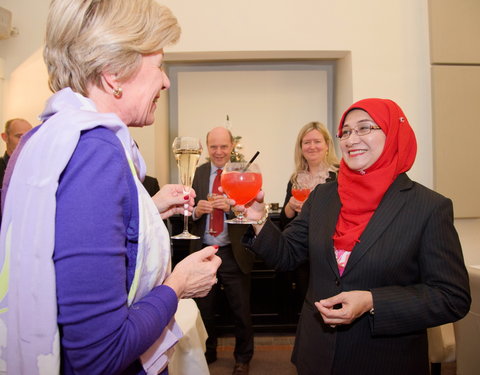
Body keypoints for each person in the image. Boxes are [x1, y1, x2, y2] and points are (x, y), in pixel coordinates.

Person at [0, 1, 221, 375]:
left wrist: (147, 208)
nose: (166, 81)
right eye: (159, 66)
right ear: (114, 75)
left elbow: (68, 241)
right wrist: (178, 284)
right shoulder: (96, 152)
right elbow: (99, 353)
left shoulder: (44, 137)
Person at [238, 98, 471, 375]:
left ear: (394, 134)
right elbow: (287, 254)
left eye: (365, 128)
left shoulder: (428, 207)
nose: (351, 139)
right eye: (345, 132)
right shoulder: (323, 196)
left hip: (385, 360)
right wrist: (258, 220)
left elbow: (451, 297)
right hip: (317, 354)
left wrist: (373, 301)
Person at [190, 126, 255, 375]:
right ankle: (209, 351)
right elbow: (189, 210)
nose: (218, 151)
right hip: (204, 251)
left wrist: (230, 207)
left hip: (233, 252)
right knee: (204, 309)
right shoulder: (198, 172)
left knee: (241, 311)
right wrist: (197, 211)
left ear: (232, 147)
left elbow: (252, 212)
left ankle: (243, 358)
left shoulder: (243, 172)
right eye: (213, 146)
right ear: (208, 148)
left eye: (223, 146)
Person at [279, 121, 339, 305]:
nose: (312, 146)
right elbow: (284, 220)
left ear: (327, 145)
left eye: (317, 141)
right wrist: (291, 205)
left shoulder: (339, 175)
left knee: (331, 298)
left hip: (331, 249)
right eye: (306, 142)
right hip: (303, 251)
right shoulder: (296, 179)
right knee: (306, 300)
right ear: (301, 147)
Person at [0, 118, 32, 187]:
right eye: (19, 136)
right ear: (5, 137)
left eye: (29, 137)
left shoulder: (36, 169)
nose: (25, 141)